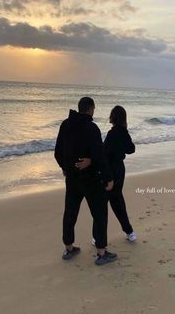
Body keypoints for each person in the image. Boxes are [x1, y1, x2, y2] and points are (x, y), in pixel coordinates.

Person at [54, 97, 117, 266]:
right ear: (90, 109)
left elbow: (58, 152)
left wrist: (66, 168)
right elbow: (100, 156)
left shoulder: (65, 125)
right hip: (91, 180)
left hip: (72, 179)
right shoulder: (91, 128)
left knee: (70, 213)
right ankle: (101, 253)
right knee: (99, 215)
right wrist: (109, 177)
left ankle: (69, 248)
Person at [102, 105, 136, 242]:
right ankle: (129, 232)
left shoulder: (111, 134)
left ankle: (97, 237)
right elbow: (131, 149)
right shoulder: (123, 132)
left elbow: (104, 154)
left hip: (109, 169)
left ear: (112, 118)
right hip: (120, 169)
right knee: (118, 200)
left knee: (103, 204)